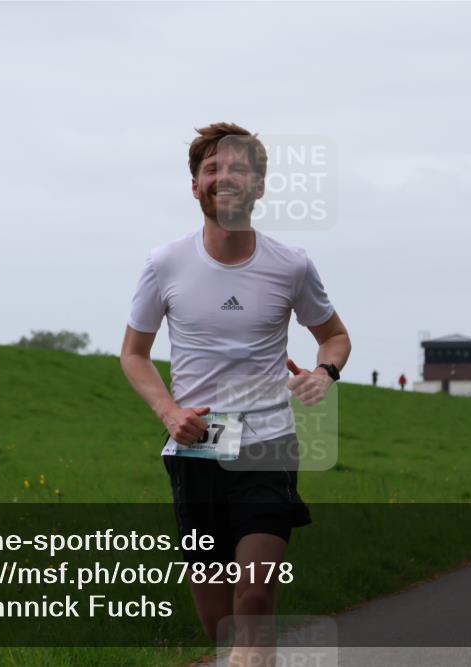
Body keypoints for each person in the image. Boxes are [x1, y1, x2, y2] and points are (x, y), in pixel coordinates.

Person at [120, 123, 351, 657]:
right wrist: (169, 412)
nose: (224, 178)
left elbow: (334, 337)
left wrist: (324, 374)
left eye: (238, 169)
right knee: (219, 621)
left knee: (253, 599)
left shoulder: (291, 264)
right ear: (196, 185)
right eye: (212, 169)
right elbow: (133, 354)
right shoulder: (165, 263)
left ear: (260, 187)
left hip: (267, 444)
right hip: (196, 449)